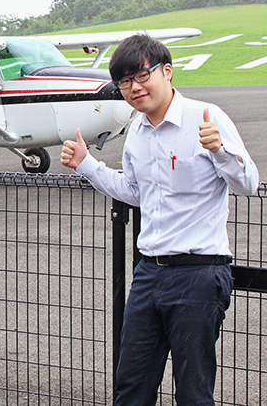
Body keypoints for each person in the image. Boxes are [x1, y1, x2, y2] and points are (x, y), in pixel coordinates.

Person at [60, 34, 258, 405]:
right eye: (124, 81)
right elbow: (136, 192)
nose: (134, 88)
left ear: (167, 71)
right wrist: (87, 165)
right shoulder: (137, 131)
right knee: (132, 386)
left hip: (199, 273)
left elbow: (248, 184)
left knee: (193, 391)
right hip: (149, 274)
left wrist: (221, 151)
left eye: (141, 75)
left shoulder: (207, 118)